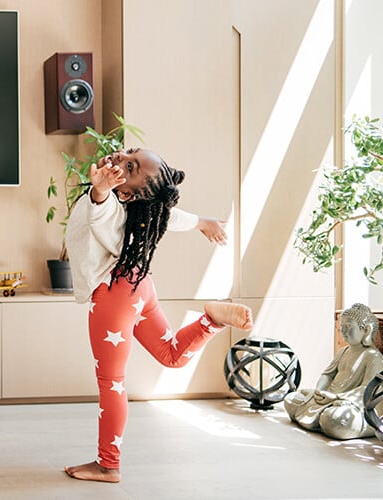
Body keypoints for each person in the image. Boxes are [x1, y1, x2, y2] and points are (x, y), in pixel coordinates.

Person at [62, 147, 255, 483]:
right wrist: (202, 222)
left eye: (130, 167)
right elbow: (170, 215)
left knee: (111, 382)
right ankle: (210, 320)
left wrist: (101, 188)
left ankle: (108, 465)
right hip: (138, 284)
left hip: (113, 294)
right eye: (129, 153)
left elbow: (100, 209)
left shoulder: (110, 204)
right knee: (172, 355)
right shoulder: (137, 207)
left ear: (127, 192)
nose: (121, 158)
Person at [284, 303, 383, 440]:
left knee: (336, 419)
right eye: (341, 326)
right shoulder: (343, 351)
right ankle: (322, 419)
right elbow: (327, 374)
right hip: (329, 398)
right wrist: (319, 390)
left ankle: (327, 421)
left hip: (350, 404)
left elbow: (369, 390)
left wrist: (336, 398)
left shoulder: (373, 356)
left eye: (348, 326)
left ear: (366, 330)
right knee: (291, 399)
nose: (343, 331)